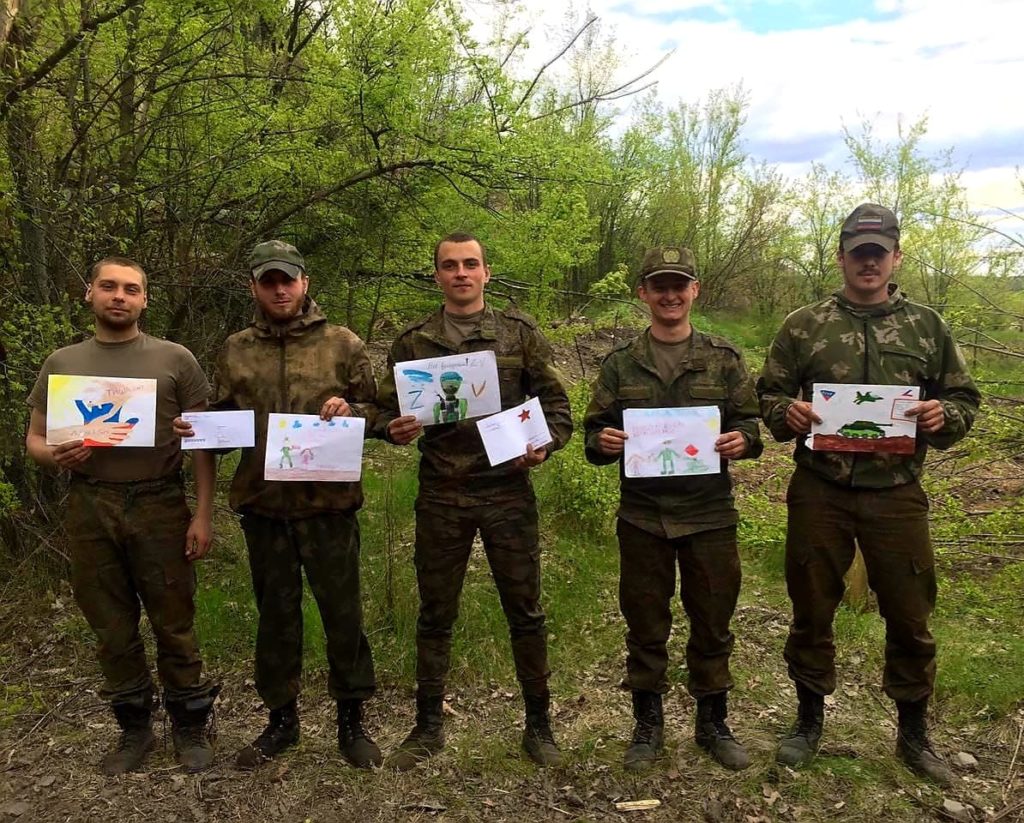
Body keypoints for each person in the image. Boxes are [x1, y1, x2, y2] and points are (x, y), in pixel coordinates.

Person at [756, 204, 981, 786]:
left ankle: (913, 733)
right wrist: (787, 413)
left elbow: (964, 399)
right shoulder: (804, 325)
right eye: (859, 252)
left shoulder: (927, 327)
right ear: (842, 257)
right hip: (821, 488)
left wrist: (944, 415)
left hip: (896, 492)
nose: (869, 263)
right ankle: (808, 720)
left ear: (895, 257)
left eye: (879, 253)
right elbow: (769, 395)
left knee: (910, 611)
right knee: (811, 605)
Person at [175, 240, 381, 770]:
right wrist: (197, 430)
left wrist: (352, 410)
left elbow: (380, 411)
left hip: (329, 505)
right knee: (275, 618)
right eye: (268, 281)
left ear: (304, 282)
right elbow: (225, 421)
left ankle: (351, 720)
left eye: (287, 279)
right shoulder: (236, 349)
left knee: (343, 614)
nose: (280, 289)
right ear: (254, 288)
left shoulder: (342, 343)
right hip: (264, 507)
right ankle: (282, 721)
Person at [375, 231, 573, 769]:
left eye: (470, 264)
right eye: (449, 265)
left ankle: (539, 725)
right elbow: (380, 409)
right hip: (442, 491)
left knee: (524, 610)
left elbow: (556, 405)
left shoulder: (518, 333)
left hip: (507, 489)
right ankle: (427, 727)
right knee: (435, 611)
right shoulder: (413, 342)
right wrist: (391, 428)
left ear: (486, 272)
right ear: (437, 275)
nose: (460, 273)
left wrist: (544, 445)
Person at [25, 256, 219, 775]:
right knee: (110, 625)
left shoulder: (175, 359)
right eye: (108, 286)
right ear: (89, 293)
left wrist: (203, 514)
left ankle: (189, 723)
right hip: (91, 502)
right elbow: (35, 440)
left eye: (131, 289)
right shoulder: (63, 363)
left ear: (144, 300)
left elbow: (203, 444)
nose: (119, 296)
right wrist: (55, 456)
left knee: (174, 619)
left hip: (159, 501)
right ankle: (134, 728)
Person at [583, 246, 762, 772]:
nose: (669, 295)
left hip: (709, 514)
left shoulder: (723, 358)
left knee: (713, 622)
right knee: (645, 624)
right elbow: (594, 432)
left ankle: (713, 722)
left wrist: (743, 441)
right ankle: (648, 724)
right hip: (643, 516)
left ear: (694, 291)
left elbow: (751, 423)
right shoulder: (621, 363)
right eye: (659, 286)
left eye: (678, 285)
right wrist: (603, 442)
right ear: (643, 293)